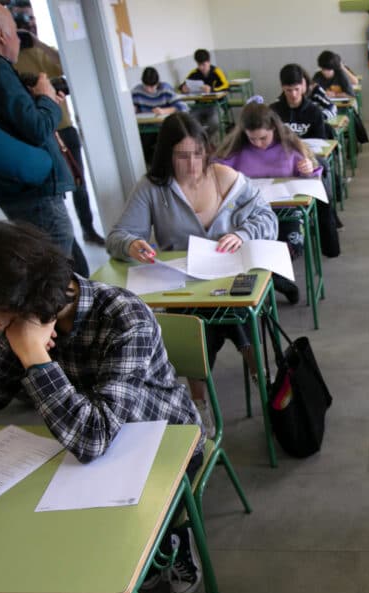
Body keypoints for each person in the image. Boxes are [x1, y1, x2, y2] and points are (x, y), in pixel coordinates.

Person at [0, 221, 207, 593]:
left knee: (150, 525)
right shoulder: (25, 319)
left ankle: (174, 538)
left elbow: (93, 438)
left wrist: (34, 356)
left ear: (33, 294)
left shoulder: (122, 315)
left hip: (163, 438)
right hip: (87, 448)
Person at [106, 113, 277, 398]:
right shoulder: (151, 188)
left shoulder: (225, 176)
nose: (194, 165)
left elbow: (267, 218)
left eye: (199, 154)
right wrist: (132, 244)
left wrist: (242, 234)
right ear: (166, 154)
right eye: (183, 156)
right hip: (183, 286)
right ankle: (199, 399)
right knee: (192, 329)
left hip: (229, 278)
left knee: (239, 313)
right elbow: (117, 237)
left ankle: (260, 374)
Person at [0, 0, 86, 276]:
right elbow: (36, 128)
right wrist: (48, 100)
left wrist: (35, 96)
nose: (16, 38)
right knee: (58, 267)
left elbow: (9, 121)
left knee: (50, 257)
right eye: (14, 30)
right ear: (1, 34)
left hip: (11, 185)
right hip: (35, 190)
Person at [10, 5, 105, 246]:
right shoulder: (9, 59)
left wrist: (38, 42)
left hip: (64, 126)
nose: (28, 24)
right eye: (22, 20)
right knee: (54, 190)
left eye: (31, 18)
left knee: (78, 182)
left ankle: (88, 229)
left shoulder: (42, 52)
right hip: (39, 132)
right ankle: (66, 239)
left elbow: (68, 68)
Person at [214, 103, 322, 300]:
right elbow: (214, 172)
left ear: (274, 128)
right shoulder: (236, 151)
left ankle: (271, 280)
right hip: (250, 216)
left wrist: (309, 170)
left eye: (263, 138)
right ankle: (275, 281)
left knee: (292, 245)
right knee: (246, 251)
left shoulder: (289, 146)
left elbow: (312, 176)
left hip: (287, 211)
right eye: (252, 138)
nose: (257, 143)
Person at [271, 64, 334, 139]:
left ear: (302, 85)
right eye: (288, 90)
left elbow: (321, 141)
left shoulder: (315, 112)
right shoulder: (273, 111)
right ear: (282, 87)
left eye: (296, 89)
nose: (293, 94)